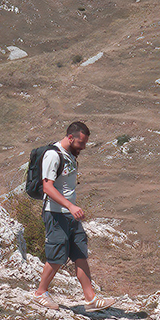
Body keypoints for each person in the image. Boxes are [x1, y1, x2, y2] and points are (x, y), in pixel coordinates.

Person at [35, 121, 108, 309]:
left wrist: (72, 208)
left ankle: (90, 299)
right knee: (56, 255)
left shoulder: (69, 155)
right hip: (56, 213)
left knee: (80, 252)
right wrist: (70, 206)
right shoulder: (53, 155)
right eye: (80, 143)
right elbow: (47, 187)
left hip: (70, 214)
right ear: (70, 138)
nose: (83, 147)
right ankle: (40, 293)